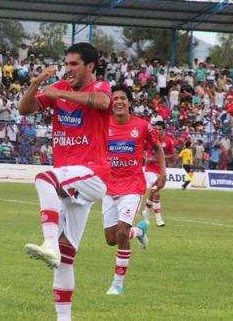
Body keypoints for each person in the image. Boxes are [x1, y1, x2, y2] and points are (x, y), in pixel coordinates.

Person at [19, 43, 111, 321]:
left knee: (43, 177)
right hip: (70, 179)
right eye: (66, 64)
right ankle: (64, 318)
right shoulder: (58, 86)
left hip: (93, 172)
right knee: (66, 256)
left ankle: (48, 243)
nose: (68, 69)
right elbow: (25, 110)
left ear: (90, 66)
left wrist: (59, 93)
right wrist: (36, 84)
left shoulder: (102, 87)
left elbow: (103, 103)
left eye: (74, 64)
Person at [102, 84, 166, 295]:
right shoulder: (103, 124)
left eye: (123, 98)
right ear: (110, 104)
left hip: (132, 186)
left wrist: (163, 174)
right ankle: (139, 231)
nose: (119, 101)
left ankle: (117, 284)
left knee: (121, 231)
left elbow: (157, 148)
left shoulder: (143, 126)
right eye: (115, 98)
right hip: (108, 187)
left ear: (130, 102)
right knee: (112, 239)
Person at [142, 121, 174, 227]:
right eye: (156, 129)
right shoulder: (150, 139)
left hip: (161, 170)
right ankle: (158, 219)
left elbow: (173, 156)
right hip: (150, 169)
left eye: (160, 129)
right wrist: (146, 158)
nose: (157, 131)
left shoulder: (168, 141)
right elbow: (141, 149)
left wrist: (162, 157)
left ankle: (146, 211)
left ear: (164, 130)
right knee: (157, 193)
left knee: (153, 192)